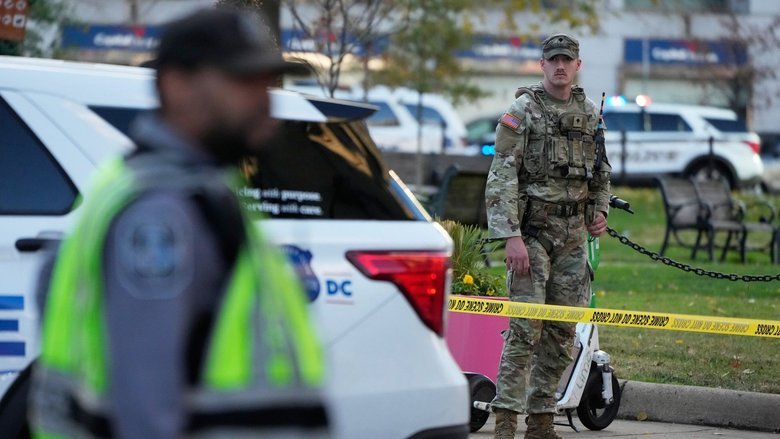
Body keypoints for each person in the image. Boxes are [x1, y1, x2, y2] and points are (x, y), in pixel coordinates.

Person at [29, 6, 329, 438]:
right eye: (244, 82)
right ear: (177, 86)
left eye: (267, 83)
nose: (265, 101)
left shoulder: (195, 189)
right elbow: (145, 406)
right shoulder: (162, 212)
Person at [484, 33, 611, 439]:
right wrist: (511, 237)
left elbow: (602, 171)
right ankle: (505, 421)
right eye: (553, 59)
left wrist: (601, 209)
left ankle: (540, 422)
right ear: (542, 65)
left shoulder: (591, 114)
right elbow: (501, 175)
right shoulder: (523, 110)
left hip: (574, 237)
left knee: (561, 332)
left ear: (577, 66)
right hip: (533, 234)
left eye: (567, 60)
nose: (560, 66)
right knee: (525, 329)